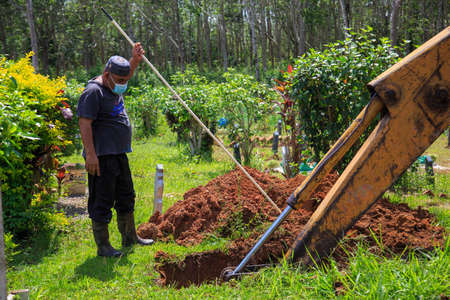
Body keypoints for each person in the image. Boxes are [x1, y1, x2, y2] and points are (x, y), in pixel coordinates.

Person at [77, 43, 154, 257]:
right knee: (102, 200)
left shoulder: (115, 83)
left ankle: (130, 237)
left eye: (125, 80)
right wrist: (91, 154)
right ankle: (103, 247)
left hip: (119, 153)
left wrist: (135, 60)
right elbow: (84, 123)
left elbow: (126, 73)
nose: (123, 85)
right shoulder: (93, 92)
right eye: (119, 81)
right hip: (101, 157)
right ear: (106, 74)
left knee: (126, 196)